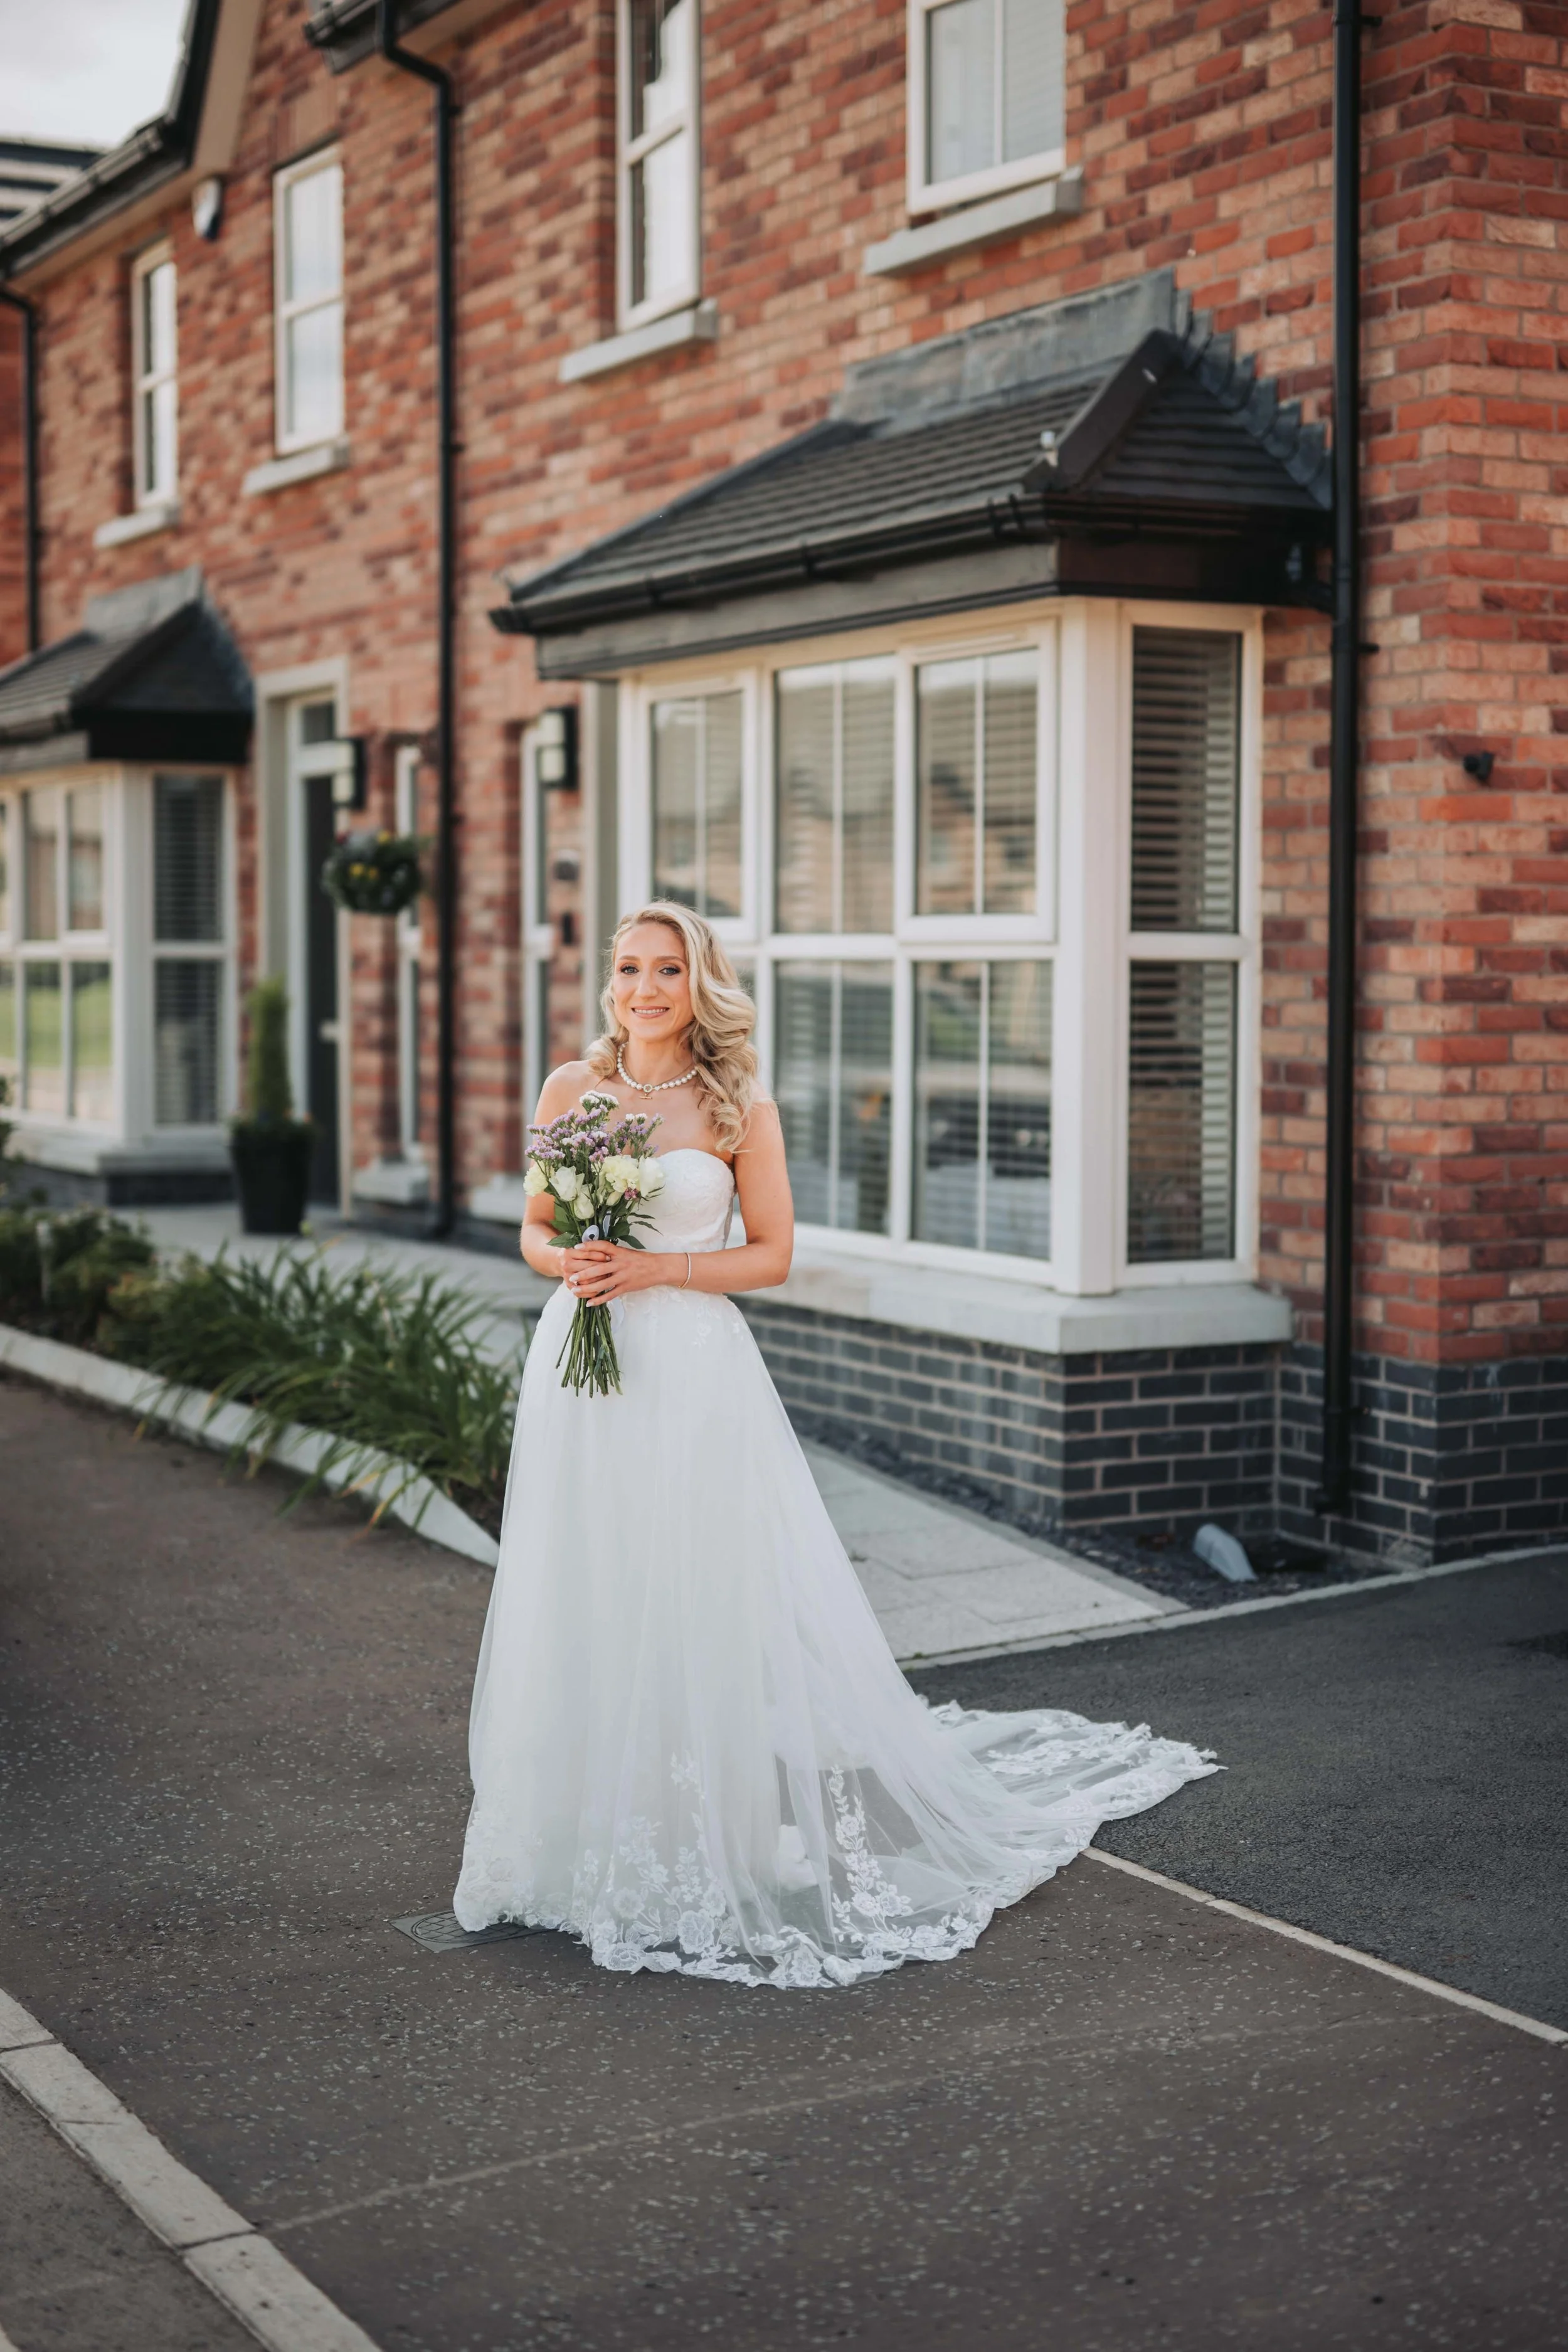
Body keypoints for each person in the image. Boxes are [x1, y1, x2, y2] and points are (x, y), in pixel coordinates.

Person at [453, 901, 1216, 1988]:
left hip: (693, 1367)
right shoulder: (569, 1091)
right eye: (629, 969)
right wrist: (568, 1261)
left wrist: (658, 1270)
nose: (645, 989)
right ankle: (579, 1828)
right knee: (589, 1578)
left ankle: (693, 1828)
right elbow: (532, 1222)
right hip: (584, 1364)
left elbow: (772, 1254)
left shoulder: (734, 1102)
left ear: (699, 982)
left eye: (668, 969)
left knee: (697, 1588)